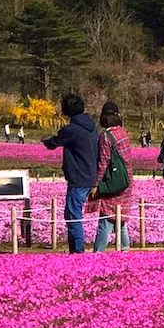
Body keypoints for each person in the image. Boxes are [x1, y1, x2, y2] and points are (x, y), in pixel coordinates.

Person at [41, 94, 100, 254]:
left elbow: (54, 142)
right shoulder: (93, 128)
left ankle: (77, 252)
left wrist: (45, 141)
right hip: (92, 177)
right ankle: (76, 250)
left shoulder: (72, 130)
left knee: (73, 215)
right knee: (74, 214)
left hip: (78, 178)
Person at [90, 101, 134, 252]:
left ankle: (98, 253)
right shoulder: (123, 133)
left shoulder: (106, 136)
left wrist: (96, 185)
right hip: (126, 181)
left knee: (106, 219)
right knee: (120, 219)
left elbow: (103, 163)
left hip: (112, 183)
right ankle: (126, 250)